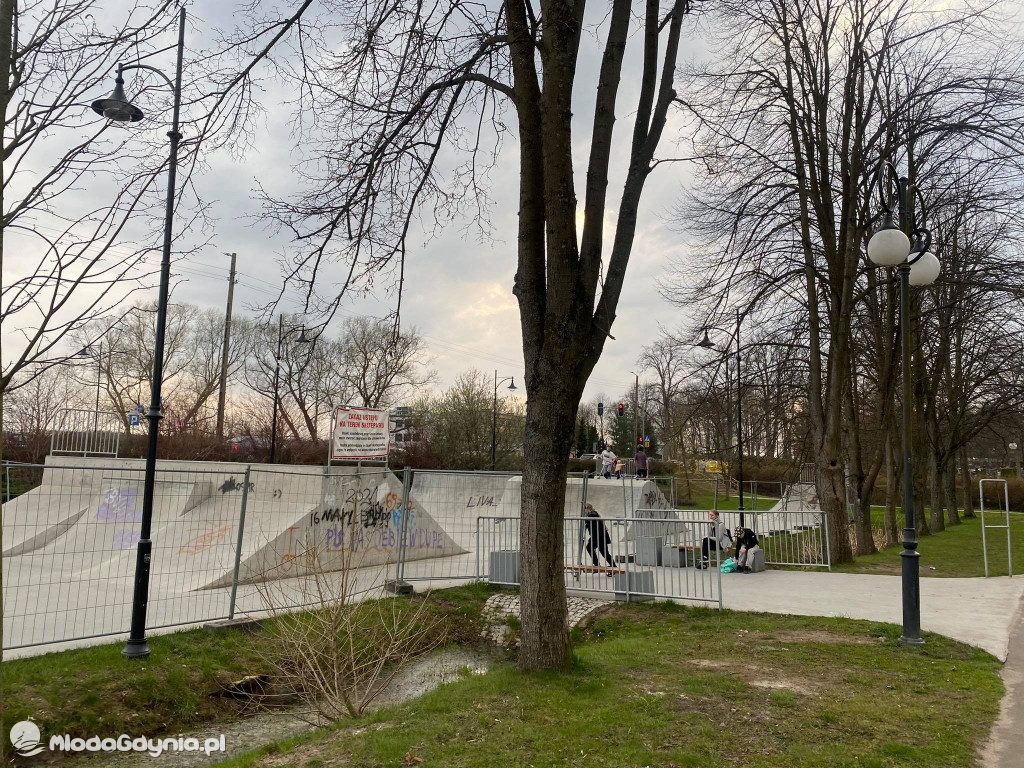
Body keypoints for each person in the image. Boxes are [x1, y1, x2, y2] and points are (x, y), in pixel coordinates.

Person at [583, 503, 616, 570]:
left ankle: (597, 564)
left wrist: (585, 520)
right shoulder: (593, 514)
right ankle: (613, 566)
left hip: (599, 537)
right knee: (604, 552)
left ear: (588, 509)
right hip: (600, 536)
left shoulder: (592, 514)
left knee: (589, 548)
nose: (584, 511)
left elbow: (590, 519)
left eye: (585, 509)